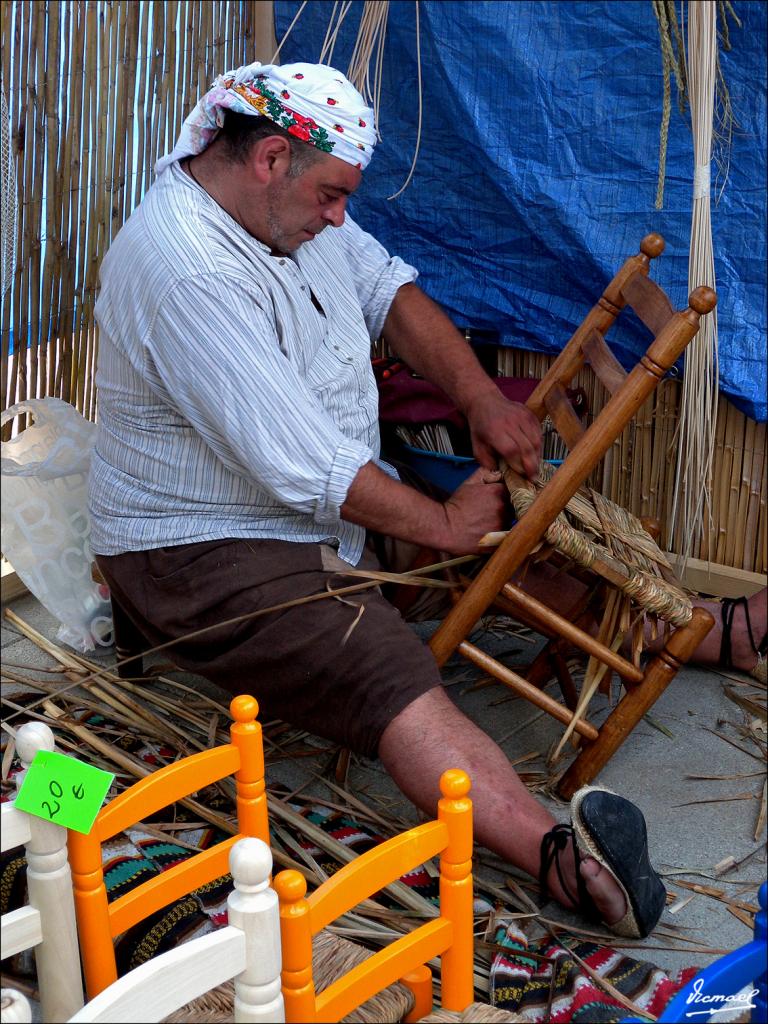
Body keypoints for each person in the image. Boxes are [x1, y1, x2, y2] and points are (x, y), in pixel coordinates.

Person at [89, 61, 766, 941]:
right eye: (332, 195)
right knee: (377, 658)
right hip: (199, 547)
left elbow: (388, 295)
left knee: (524, 540)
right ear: (269, 160)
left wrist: (480, 397)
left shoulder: (296, 212)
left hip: (315, 510)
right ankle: (563, 858)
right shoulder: (181, 263)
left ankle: (699, 631)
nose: (341, 215)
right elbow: (302, 463)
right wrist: (442, 523)